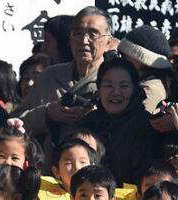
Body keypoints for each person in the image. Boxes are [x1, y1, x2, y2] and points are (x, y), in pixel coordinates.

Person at [14, 7, 113, 165]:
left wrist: (96, 115)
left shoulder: (114, 79)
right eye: (78, 33)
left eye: (92, 34)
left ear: (108, 42)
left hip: (96, 176)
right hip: (50, 174)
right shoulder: (50, 76)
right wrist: (47, 113)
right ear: (70, 38)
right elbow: (16, 122)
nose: (84, 40)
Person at [78, 57, 161, 184]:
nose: (116, 92)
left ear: (134, 89)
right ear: (98, 90)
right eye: (108, 85)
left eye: (124, 86)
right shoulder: (88, 123)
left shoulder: (146, 124)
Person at [118, 25, 173, 114]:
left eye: (124, 56)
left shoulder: (149, 90)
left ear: (142, 60)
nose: (120, 59)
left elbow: (132, 124)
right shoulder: (141, 83)